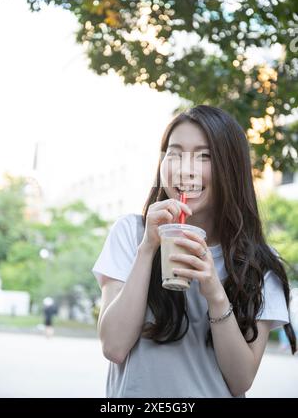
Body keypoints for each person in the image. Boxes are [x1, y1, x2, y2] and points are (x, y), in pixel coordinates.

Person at [92, 105, 296, 398]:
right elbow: (113, 346)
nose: (185, 169)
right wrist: (149, 248)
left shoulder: (259, 264)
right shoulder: (132, 234)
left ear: (231, 168)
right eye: (174, 154)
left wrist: (214, 291)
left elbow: (241, 381)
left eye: (205, 156)